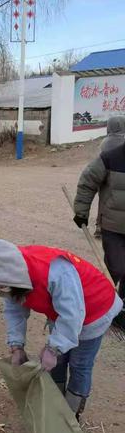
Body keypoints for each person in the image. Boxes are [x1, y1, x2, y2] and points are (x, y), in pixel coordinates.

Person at [0, 239, 123, 420]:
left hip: (95, 309)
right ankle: (55, 401)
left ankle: (71, 413)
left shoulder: (55, 272)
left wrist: (53, 348)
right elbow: (14, 310)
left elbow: (72, 316)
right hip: (62, 313)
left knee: (79, 364)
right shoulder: (11, 276)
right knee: (57, 362)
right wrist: (16, 346)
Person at [74, 136, 125, 327]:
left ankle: (121, 310)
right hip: (113, 227)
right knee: (116, 268)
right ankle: (100, 305)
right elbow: (88, 181)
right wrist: (81, 212)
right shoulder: (111, 158)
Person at [93, 116, 125, 238]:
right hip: (119, 178)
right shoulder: (123, 141)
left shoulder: (104, 142)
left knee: (103, 202)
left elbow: (98, 161)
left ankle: (99, 227)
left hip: (105, 177)